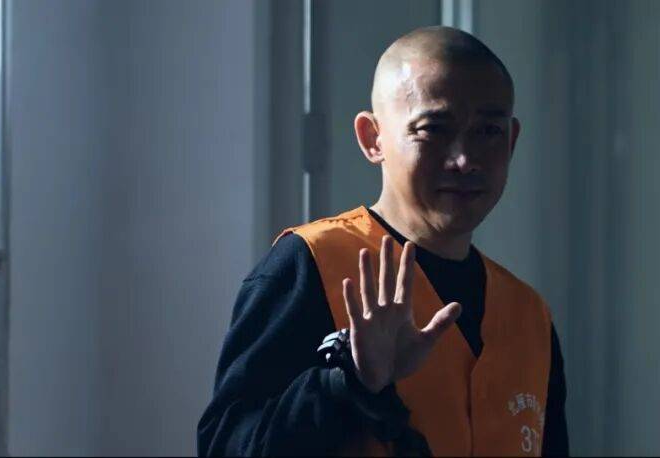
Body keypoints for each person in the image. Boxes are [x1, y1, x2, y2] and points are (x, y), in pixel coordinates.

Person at [198, 26, 567, 456]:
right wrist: (347, 380)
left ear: (513, 139)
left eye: (488, 131)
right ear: (372, 138)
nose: (465, 159)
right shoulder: (313, 265)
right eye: (433, 129)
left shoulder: (527, 316)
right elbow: (226, 446)